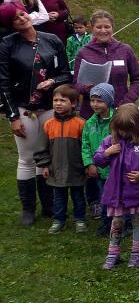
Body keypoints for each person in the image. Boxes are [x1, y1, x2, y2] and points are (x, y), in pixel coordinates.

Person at [0, 2, 71, 226]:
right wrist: (13, 117)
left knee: (46, 156)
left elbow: (66, 73)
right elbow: (3, 83)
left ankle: (49, 205)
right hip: (24, 107)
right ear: (10, 24)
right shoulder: (7, 44)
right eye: (15, 18)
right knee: (27, 157)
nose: (21, 19)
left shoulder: (52, 39)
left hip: (50, 106)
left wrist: (53, 81)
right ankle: (28, 209)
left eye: (22, 14)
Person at [93, 103, 139, 269]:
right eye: (120, 129)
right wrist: (107, 153)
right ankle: (113, 254)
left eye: (127, 129)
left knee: (138, 221)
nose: (123, 133)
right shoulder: (110, 141)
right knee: (117, 222)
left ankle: (137, 254)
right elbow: (98, 160)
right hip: (117, 193)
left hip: (137, 192)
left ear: (136, 126)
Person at [34, 85, 86, 234]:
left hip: (76, 168)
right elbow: (42, 148)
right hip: (55, 169)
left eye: (63, 100)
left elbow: (86, 148)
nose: (58, 103)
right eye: (55, 100)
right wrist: (44, 165)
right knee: (58, 197)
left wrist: (87, 165)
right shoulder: (48, 124)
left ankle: (80, 219)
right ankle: (58, 220)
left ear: (73, 103)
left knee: (78, 196)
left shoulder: (81, 124)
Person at [74, 10, 139, 119]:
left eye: (107, 27)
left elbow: (137, 79)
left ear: (112, 28)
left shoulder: (125, 50)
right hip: (92, 114)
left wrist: (127, 101)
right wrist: (85, 88)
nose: (103, 30)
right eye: (98, 27)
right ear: (92, 28)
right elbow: (76, 84)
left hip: (121, 112)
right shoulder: (83, 52)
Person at [81, 83, 114, 232]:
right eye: (92, 100)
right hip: (99, 170)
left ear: (109, 101)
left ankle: (124, 223)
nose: (95, 104)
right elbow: (85, 145)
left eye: (99, 101)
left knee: (118, 197)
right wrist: (89, 164)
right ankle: (106, 223)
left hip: (115, 169)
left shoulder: (117, 121)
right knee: (104, 197)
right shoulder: (89, 123)